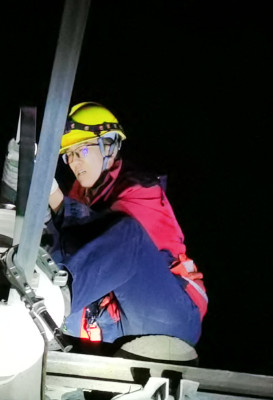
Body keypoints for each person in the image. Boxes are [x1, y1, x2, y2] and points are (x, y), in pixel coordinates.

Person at [45, 102, 207, 347]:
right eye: (68, 155)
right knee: (52, 244)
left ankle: (53, 300)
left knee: (127, 233)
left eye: (82, 151)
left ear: (109, 146)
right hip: (114, 323)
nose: (74, 162)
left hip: (168, 313)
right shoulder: (80, 194)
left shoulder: (140, 190)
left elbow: (98, 233)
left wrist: (55, 199)